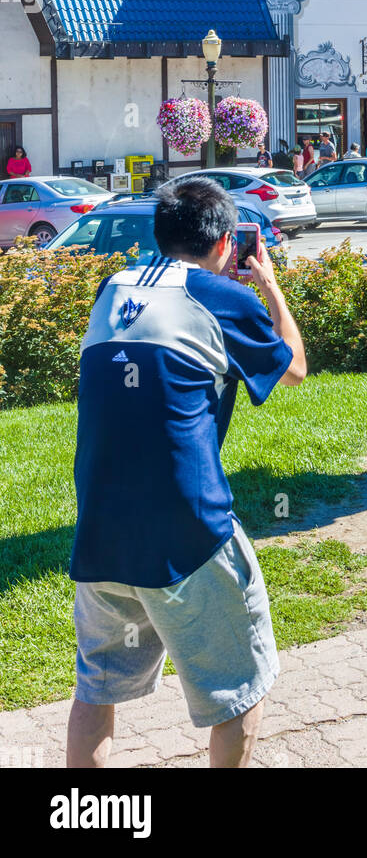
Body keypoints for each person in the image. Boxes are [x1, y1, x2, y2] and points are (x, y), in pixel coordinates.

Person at [66, 177, 307, 769]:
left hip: (98, 528)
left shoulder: (111, 288)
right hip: (187, 530)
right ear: (226, 244)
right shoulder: (224, 300)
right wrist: (271, 287)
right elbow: (295, 369)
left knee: (97, 688)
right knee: (238, 691)